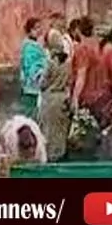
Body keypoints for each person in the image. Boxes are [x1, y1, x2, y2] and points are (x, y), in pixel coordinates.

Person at [39, 30, 72, 161]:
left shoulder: (51, 63)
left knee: (49, 133)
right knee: (61, 132)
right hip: (63, 99)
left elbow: (43, 83)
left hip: (50, 100)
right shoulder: (68, 62)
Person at [19, 16, 50, 120]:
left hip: (39, 85)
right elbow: (29, 66)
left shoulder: (37, 45)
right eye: (35, 28)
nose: (39, 30)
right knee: (30, 117)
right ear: (29, 30)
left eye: (40, 28)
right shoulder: (29, 47)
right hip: (31, 86)